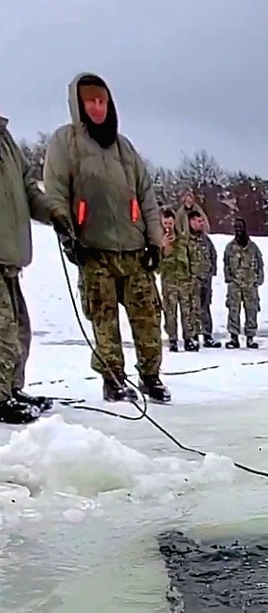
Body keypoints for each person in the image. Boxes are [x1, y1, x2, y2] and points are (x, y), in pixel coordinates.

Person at [44, 73, 167, 403]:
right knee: (103, 318)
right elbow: (55, 191)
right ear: (79, 106)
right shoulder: (65, 142)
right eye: (91, 102)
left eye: (103, 101)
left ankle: (151, 376)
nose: (98, 107)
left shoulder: (124, 147)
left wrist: (154, 241)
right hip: (93, 249)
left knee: (149, 318)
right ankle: (113, 379)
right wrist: (67, 233)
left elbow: (147, 197)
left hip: (134, 249)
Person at [0, 115, 55, 424]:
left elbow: (28, 187)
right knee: (2, 330)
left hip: (10, 256)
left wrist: (54, 213)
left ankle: (10, 389)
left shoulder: (6, 141)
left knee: (19, 328)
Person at [158, 207, 199, 352]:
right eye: (165, 223)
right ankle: (173, 339)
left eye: (170, 223)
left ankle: (189, 339)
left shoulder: (183, 239)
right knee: (170, 312)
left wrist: (193, 276)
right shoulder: (158, 241)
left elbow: (192, 258)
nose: (168, 226)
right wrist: (163, 248)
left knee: (187, 312)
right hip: (169, 282)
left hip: (184, 281)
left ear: (174, 222)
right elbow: (156, 267)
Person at [223, 216, 264, 348]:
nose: (238, 230)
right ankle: (234, 338)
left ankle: (250, 338)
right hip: (234, 285)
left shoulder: (253, 248)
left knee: (251, 311)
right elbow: (226, 264)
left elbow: (260, 264)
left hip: (250, 284)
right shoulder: (230, 247)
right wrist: (229, 279)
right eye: (236, 227)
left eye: (240, 227)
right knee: (233, 311)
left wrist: (258, 280)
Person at [187, 209, 218, 345]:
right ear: (191, 222)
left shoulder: (206, 240)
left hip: (206, 279)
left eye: (202, 221)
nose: (201, 224)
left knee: (205, 307)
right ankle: (193, 335)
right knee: (193, 308)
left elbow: (213, 255)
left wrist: (211, 272)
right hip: (192, 279)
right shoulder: (187, 240)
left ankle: (207, 335)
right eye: (199, 221)